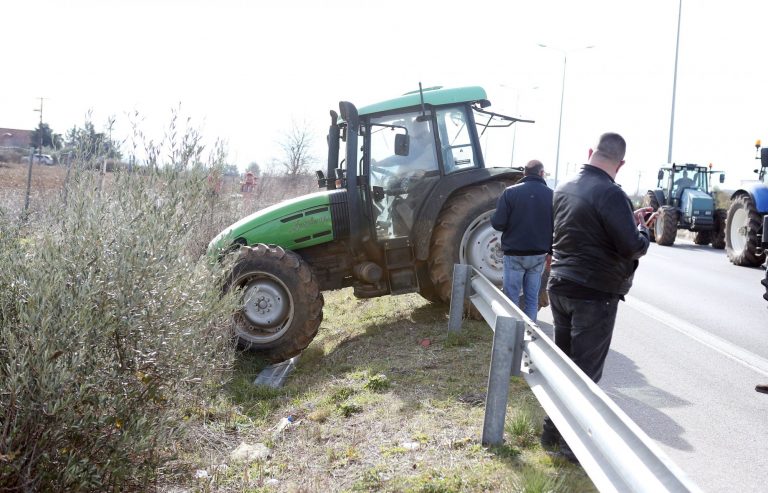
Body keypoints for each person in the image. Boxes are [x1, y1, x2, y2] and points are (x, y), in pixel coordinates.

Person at [542, 133, 655, 462]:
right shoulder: (611, 193)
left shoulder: (563, 186)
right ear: (621, 164)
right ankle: (572, 447)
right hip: (593, 293)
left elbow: (580, 228)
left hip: (560, 285)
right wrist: (644, 230)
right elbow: (632, 246)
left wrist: (629, 222)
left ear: (591, 152)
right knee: (586, 373)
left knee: (564, 367)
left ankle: (552, 431)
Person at [490, 159, 553, 322]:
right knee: (532, 300)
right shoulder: (552, 195)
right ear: (541, 173)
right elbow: (557, 227)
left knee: (511, 300)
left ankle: (512, 338)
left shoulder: (510, 192)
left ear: (524, 173)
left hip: (514, 254)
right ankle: (529, 335)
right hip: (539, 255)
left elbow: (498, 223)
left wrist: (493, 216)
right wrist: (550, 253)